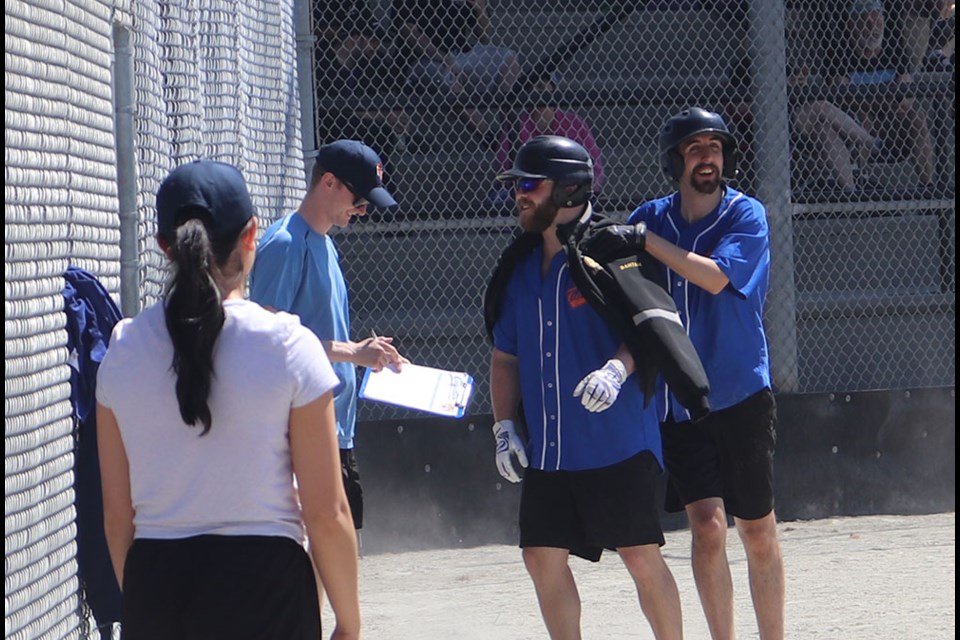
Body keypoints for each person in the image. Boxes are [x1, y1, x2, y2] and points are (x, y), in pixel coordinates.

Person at [96, 160, 360, 639]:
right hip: (266, 584)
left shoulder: (123, 348)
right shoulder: (288, 345)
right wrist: (349, 623)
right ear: (251, 235)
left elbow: (118, 520)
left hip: (158, 579)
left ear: (164, 247)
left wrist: (146, 602)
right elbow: (326, 513)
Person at [581, 107, 785, 640]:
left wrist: (644, 240)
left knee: (757, 531)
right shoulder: (655, 214)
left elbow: (717, 278)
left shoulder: (746, 215)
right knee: (707, 526)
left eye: (714, 147)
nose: (707, 157)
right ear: (675, 158)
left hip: (740, 393)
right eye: (695, 148)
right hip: (679, 399)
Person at [483, 135, 690, 640]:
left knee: (640, 556)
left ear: (570, 189)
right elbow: (504, 358)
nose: (520, 196)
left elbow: (653, 327)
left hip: (616, 445)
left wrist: (617, 370)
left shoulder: (612, 249)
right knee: (539, 556)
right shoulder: (519, 268)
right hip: (551, 451)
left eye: (530, 185)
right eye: (519, 186)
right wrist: (504, 426)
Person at [249, 140, 407, 599]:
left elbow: (323, 335)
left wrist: (371, 353)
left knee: (336, 556)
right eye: (357, 198)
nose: (361, 210)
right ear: (328, 183)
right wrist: (353, 352)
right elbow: (265, 339)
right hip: (299, 430)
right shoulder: (284, 244)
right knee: (314, 561)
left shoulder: (324, 245)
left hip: (335, 429)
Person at [822, 0, 935, 187]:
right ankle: (862, 177)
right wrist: (883, 100)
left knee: (916, 117)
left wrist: (871, 100)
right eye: (865, 22)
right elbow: (842, 95)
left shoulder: (894, 47)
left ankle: (928, 186)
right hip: (858, 118)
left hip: (891, 120)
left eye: (877, 21)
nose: (872, 27)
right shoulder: (839, 51)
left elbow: (906, 94)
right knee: (861, 115)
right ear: (851, 25)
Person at [391, 0, 521, 147]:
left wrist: (480, 9)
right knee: (449, 79)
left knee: (510, 58)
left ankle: (511, 132)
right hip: (420, 60)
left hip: (460, 54)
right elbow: (409, 32)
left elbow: (484, 36)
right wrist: (444, 59)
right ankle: (488, 136)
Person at [489, 73, 605, 207]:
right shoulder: (517, 123)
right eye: (530, 89)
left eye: (541, 87)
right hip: (530, 189)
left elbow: (596, 166)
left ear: (553, 90)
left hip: (569, 189)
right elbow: (503, 164)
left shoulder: (574, 123)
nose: (537, 93)